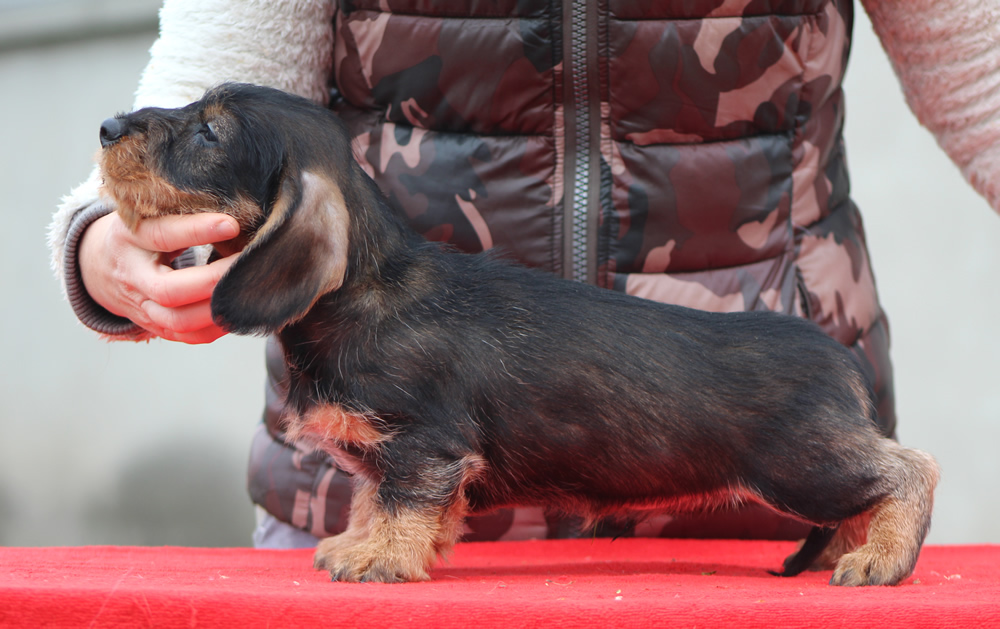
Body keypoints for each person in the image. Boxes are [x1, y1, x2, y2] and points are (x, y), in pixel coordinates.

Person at [49, 0, 1000, 548]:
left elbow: (982, 76)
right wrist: (104, 247)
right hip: (357, 517)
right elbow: (217, 79)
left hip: (738, 484)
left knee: (817, 474)